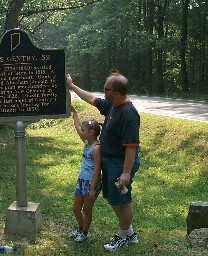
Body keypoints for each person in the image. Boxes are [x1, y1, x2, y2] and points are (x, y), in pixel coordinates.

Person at [66, 73, 141, 251]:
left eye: (106, 88)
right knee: (115, 199)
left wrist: (126, 172)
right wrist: (72, 85)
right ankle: (129, 233)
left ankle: (123, 236)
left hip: (120, 163)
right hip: (110, 161)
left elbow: (131, 147)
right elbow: (91, 98)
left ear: (116, 92)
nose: (103, 91)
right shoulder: (113, 106)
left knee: (122, 200)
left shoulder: (128, 114)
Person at [68, 106, 102, 243]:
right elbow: (77, 127)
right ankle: (80, 228)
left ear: (91, 132)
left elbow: (97, 170)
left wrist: (92, 189)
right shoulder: (87, 142)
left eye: (84, 130)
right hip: (81, 180)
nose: (81, 132)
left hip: (91, 182)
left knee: (87, 210)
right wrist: (74, 113)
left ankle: (84, 233)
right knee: (76, 208)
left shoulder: (96, 148)